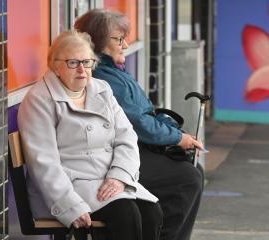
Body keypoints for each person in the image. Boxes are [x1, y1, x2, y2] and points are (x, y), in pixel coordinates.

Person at [17, 30, 163, 240]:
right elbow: (44, 162)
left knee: (152, 212)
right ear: (55, 66)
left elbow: (127, 137)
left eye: (86, 62)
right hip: (72, 187)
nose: (82, 70)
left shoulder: (102, 89)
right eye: (73, 62)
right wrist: (69, 205)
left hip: (107, 182)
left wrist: (119, 177)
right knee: (126, 214)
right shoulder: (40, 100)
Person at [75, 9, 204, 240]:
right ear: (98, 41)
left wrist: (179, 133)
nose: (125, 45)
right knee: (187, 178)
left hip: (130, 151)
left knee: (193, 170)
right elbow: (139, 124)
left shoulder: (116, 71)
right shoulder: (105, 77)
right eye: (119, 39)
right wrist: (177, 138)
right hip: (113, 159)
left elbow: (146, 113)